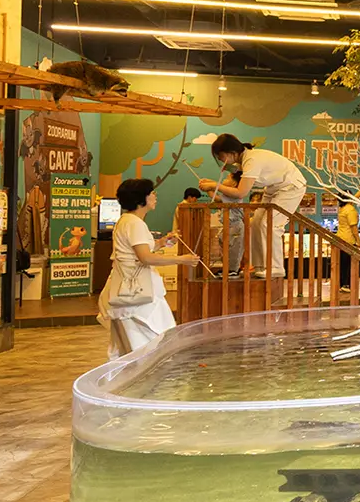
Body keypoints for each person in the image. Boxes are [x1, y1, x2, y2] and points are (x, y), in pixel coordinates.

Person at [97, 178, 190, 357]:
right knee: (149, 343)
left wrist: (162, 242)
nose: (155, 196)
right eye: (152, 193)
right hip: (137, 293)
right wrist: (181, 260)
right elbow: (145, 257)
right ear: (142, 198)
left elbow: (139, 250)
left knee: (135, 345)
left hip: (130, 290)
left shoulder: (126, 220)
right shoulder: (135, 223)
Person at [199, 133, 309, 282]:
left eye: (221, 156)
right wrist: (213, 184)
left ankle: (276, 267)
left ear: (231, 153)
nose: (220, 159)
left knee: (270, 224)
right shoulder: (244, 161)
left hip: (291, 187)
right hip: (273, 189)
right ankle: (260, 266)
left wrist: (214, 185)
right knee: (256, 222)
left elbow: (241, 192)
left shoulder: (251, 160)